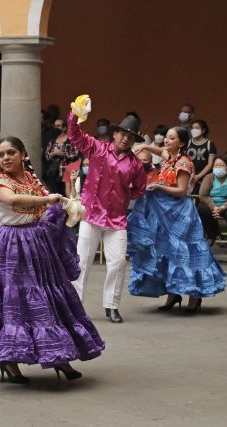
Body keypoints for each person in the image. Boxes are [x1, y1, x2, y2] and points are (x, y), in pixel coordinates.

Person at [0, 136, 104, 383]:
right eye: (1, 155)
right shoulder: (1, 183)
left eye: (11, 152)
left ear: (23, 155)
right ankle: (9, 360)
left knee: (47, 297)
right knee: (13, 300)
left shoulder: (32, 179)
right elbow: (12, 201)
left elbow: (47, 207)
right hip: (11, 246)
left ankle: (58, 355)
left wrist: (65, 206)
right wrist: (47, 200)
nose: (6, 158)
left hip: (38, 244)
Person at [128, 128, 226, 313]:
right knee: (168, 252)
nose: (166, 140)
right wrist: (145, 146)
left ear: (181, 143)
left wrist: (159, 187)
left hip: (181, 213)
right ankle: (173, 295)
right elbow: (160, 151)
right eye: (166, 137)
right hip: (166, 212)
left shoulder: (184, 163)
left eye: (171, 138)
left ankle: (194, 297)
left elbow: (182, 190)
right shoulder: (170, 158)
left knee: (185, 253)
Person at [68, 103, 147, 324]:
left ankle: (111, 306)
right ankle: (76, 307)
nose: (126, 139)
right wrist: (74, 116)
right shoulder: (97, 148)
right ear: (115, 133)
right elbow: (75, 136)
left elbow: (140, 188)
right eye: (123, 134)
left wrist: (124, 197)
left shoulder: (136, 165)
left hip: (117, 219)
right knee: (82, 261)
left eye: (131, 137)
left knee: (118, 262)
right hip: (91, 215)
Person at [197, 155, 227, 244]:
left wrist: (223, 207)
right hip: (212, 205)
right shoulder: (208, 177)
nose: (218, 167)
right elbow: (203, 195)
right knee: (202, 209)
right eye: (216, 165)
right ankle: (213, 235)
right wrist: (214, 207)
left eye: (221, 165)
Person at [44, 118, 78, 195]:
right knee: (55, 195)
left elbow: (75, 154)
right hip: (54, 174)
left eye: (58, 126)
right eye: (55, 126)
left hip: (67, 173)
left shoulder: (70, 140)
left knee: (67, 196)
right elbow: (46, 156)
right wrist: (54, 153)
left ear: (64, 128)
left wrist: (63, 154)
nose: (56, 128)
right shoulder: (52, 141)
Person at [186, 119, 217, 195]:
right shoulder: (188, 143)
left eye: (197, 128)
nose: (194, 130)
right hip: (188, 177)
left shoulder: (209, 144)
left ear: (203, 130)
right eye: (192, 128)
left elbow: (210, 164)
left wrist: (198, 176)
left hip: (203, 178)